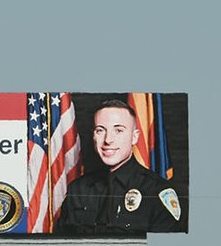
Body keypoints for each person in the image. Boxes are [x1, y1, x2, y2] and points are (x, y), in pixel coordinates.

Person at [54, 99, 182, 235]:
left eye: (118, 130)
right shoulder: (78, 190)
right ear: (93, 135)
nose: (108, 139)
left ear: (134, 137)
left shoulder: (156, 192)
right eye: (100, 130)